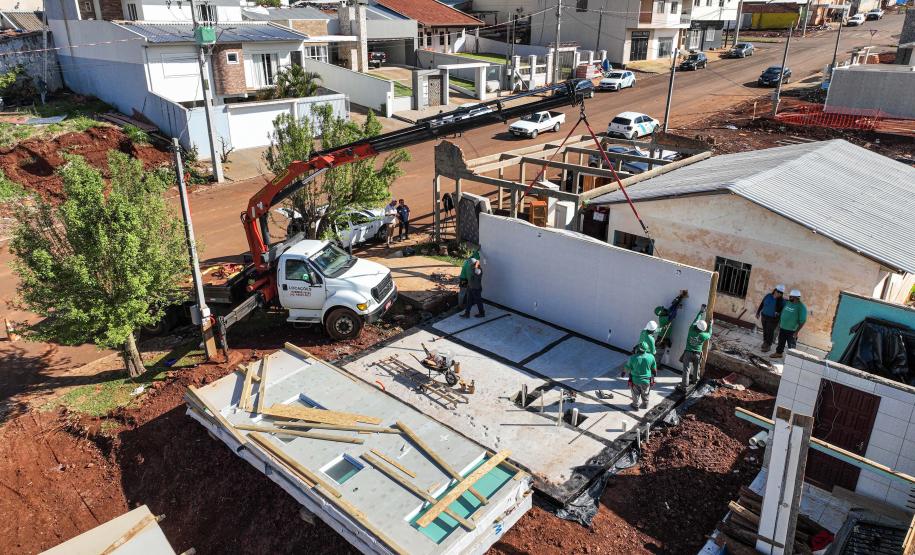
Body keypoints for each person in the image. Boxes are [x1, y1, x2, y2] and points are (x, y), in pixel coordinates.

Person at [678, 306, 713, 391]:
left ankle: (684, 387)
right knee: (696, 367)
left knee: (686, 370)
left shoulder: (691, 330)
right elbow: (709, 334)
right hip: (697, 354)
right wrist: (711, 325)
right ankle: (695, 381)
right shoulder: (703, 335)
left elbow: (695, 320)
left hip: (688, 353)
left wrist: (701, 312)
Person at [771, 289, 807, 359]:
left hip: (792, 330)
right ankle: (778, 353)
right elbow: (784, 311)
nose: (789, 298)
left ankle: (792, 358)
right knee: (781, 342)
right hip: (783, 327)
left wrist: (796, 332)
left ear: (796, 297)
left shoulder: (801, 307)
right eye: (790, 296)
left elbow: (803, 321)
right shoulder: (788, 303)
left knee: (791, 345)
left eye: (791, 297)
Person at [621, 343, 656, 410]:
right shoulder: (651, 357)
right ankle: (645, 405)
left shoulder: (633, 357)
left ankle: (635, 405)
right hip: (647, 380)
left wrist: (623, 372)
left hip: (635, 380)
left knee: (635, 394)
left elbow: (627, 367)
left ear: (638, 349)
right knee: (645, 393)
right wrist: (654, 375)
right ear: (646, 349)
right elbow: (654, 369)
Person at [756, 284, 786, 352]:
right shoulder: (768, 296)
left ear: (781, 294)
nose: (778, 293)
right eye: (777, 291)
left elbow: (783, 311)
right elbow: (762, 304)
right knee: (765, 330)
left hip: (773, 319)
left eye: (780, 293)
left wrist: (778, 313)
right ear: (775, 290)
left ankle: (768, 345)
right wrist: (758, 312)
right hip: (764, 316)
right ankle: (765, 342)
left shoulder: (782, 301)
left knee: (770, 331)